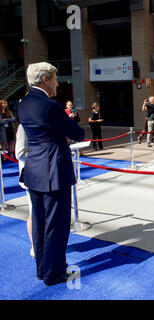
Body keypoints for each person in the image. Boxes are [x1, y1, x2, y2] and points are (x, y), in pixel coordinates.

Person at [18, 62, 85, 286]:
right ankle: (55, 273)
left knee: (39, 224)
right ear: (45, 79)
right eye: (55, 78)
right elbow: (77, 132)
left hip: (34, 171)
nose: (58, 83)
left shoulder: (24, 103)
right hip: (54, 172)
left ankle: (42, 269)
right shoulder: (51, 106)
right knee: (57, 225)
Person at [15, 123, 34, 258]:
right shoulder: (23, 127)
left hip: (45, 175)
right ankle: (35, 246)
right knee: (34, 213)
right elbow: (19, 153)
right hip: (30, 174)